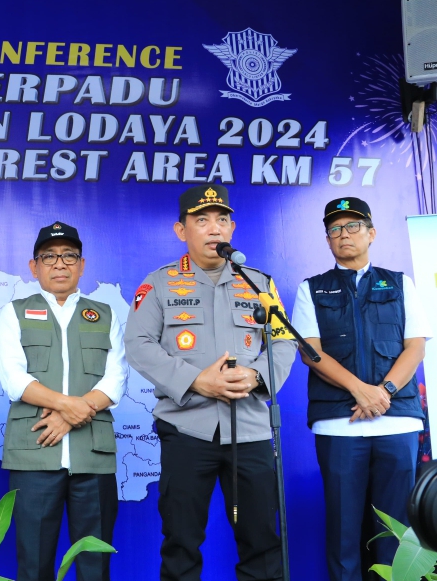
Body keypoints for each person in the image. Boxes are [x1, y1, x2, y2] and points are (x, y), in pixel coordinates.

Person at [124, 185, 298, 581]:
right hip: (187, 429)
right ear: (181, 230)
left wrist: (257, 375)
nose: (214, 228)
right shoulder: (160, 283)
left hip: (251, 429)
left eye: (221, 220)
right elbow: (138, 344)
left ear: (232, 228)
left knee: (262, 542)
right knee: (181, 544)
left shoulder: (259, 284)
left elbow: (284, 340)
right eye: (201, 220)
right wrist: (196, 380)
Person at [290, 197, 430, 581]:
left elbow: (415, 346)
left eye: (353, 226)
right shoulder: (312, 289)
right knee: (343, 532)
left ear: (372, 233)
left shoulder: (399, 283)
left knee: (397, 533)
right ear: (327, 240)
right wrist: (360, 390)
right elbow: (311, 353)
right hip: (339, 423)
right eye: (335, 229)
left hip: (397, 421)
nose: (344, 234)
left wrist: (384, 391)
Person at [0, 221, 129, 581]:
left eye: (69, 256)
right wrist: (69, 406)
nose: (59, 264)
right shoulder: (15, 312)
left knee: (94, 564)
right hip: (35, 452)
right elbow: (14, 379)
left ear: (81, 265)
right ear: (34, 266)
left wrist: (69, 415)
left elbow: (116, 378)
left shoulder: (105, 313)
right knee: (34, 563)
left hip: (93, 456)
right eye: (49, 256)